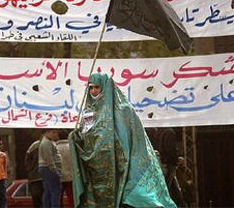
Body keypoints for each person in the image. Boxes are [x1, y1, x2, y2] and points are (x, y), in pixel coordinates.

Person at [69, 73, 175, 208]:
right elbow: (87, 138)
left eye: (97, 87)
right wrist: (76, 136)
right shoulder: (88, 112)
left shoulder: (124, 110)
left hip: (119, 165)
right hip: (95, 169)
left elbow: (132, 138)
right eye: (91, 88)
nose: (93, 91)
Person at [147, 127, 187, 207]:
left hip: (151, 166)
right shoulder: (168, 131)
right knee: (168, 191)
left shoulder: (148, 130)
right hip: (165, 166)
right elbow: (171, 152)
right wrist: (175, 160)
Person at [38, 129, 62, 208]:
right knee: (55, 192)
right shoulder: (46, 143)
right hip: (49, 169)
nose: (55, 134)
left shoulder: (49, 141)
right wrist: (54, 169)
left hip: (47, 168)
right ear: (47, 132)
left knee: (48, 191)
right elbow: (48, 158)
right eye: (53, 132)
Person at [25, 137, 43, 208]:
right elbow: (27, 161)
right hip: (36, 177)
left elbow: (27, 161)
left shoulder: (34, 146)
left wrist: (30, 169)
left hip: (36, 177)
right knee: (38, 199)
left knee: (37, 199)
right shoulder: (35, 146)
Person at [57, 131, 74, 207]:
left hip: (59, 177)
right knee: (71, 198)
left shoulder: (55, 148)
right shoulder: (71, 147)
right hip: (70, 177)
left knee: (59, 198)